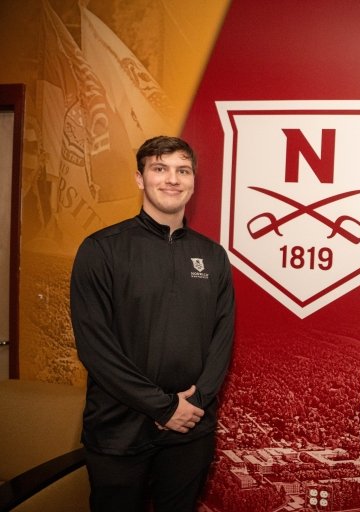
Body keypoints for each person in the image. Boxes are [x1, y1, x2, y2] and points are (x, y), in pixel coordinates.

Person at [70, 136, 235, 512]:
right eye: (159, 169)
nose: (172, 179)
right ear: (140, 179)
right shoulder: (101, 249)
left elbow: (222, 338)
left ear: (193, 180)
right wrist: (163, 408)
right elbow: (95, 347)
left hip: (191, 428)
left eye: (182, 170)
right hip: (118, 429)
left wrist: (192, 403)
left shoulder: (212, 255)